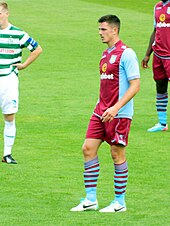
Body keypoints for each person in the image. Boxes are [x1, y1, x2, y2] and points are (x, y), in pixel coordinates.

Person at [70, 14, 140, 213]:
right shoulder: (104, 54)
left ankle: (120, 202)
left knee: (116, 154)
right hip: (101, 111)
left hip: (119, 114)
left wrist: (116, 108)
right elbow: (106, 86)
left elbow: (135, 86)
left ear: (114, 30)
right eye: (99, 29)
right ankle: (90, 199)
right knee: (87, 148)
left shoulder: (127, 54)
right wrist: (101, 106)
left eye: (103, 29)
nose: (100, 33)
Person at [0, 1, 42, 164]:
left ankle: (7, 154)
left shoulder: (18, 34)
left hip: (8, 80)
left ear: (6, 14)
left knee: (9, 116)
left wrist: (24, 65)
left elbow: (37, 49)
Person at [142, 0, 170, 132]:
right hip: (158, 55)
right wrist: (148, 54)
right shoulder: (157, 6)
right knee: (160, 85)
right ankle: (162, 123)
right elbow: (155, 30)